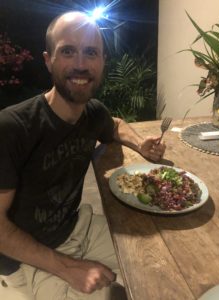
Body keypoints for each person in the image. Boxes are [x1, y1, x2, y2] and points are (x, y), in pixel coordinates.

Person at [0, 11, 166, 300]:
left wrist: (141, 144)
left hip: (78, 227)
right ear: (48, 60)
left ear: (102, 62)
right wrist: (68, 268)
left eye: (91, 53)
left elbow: (114, 124)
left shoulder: (92, 113)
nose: (80, 64)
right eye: (67, 51)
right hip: (27, 261)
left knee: (160, 267)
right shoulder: (12, 128)